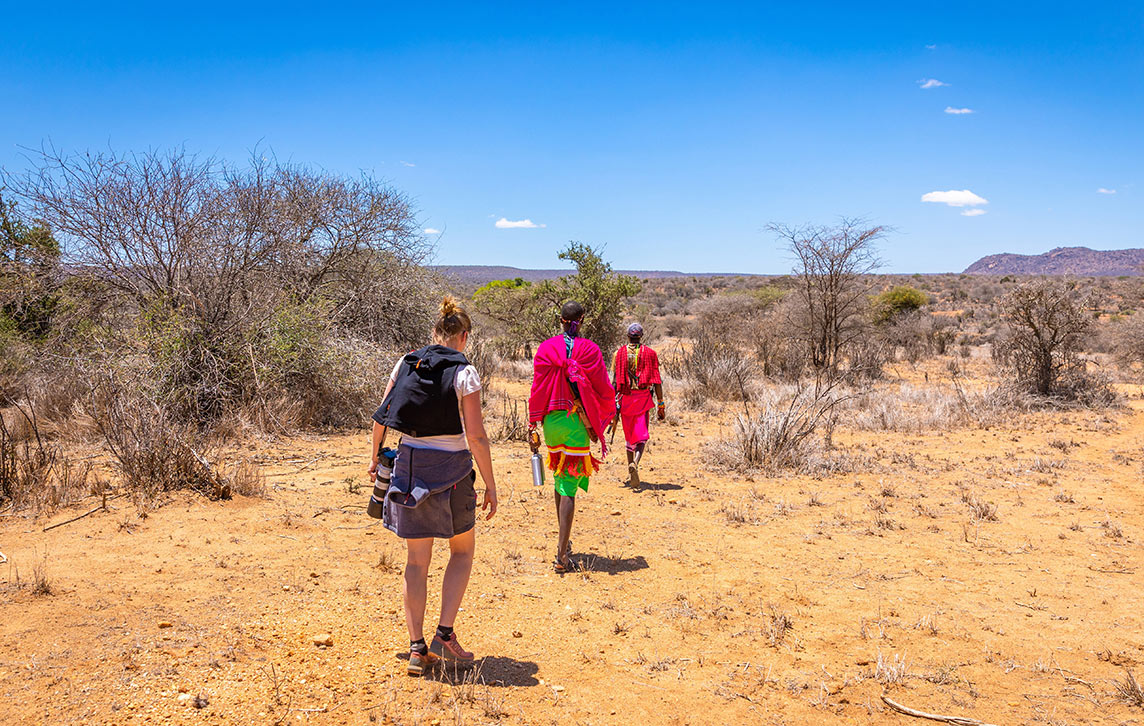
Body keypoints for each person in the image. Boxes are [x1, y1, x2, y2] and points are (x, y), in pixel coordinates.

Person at [369, 298, 498, 676]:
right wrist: (490, 484)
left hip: (410, 472)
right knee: (461, 552)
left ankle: (415, 648)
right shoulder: (465, 373)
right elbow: (476, 436)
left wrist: (374, 456)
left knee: (416, 562)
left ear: (433, 333)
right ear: (464, 336)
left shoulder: (406, 362)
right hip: (453, 473)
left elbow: (381, 416)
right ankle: (444, 633)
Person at [528, 301, 615, 573]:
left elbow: (538, 387)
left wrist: (533, 422)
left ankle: (563, 543)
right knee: (568, 487)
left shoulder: (546, 348)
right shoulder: (589, 350)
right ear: (582, 320)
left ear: (561, 320)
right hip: (576, 420)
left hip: (552, 421)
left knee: (560, 479)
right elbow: (601, 386)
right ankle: (561, 557)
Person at [611, 322, 664, 488]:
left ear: (628, 336)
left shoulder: (618, 354)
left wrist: (613, 404)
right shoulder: (650, 354)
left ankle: (630, 468)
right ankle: (635, 462)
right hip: (642, 398)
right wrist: (661, 404)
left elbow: (614, 382)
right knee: (641, 436)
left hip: (625, 399)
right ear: (641, 336)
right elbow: (656, 382)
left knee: (629, 436)